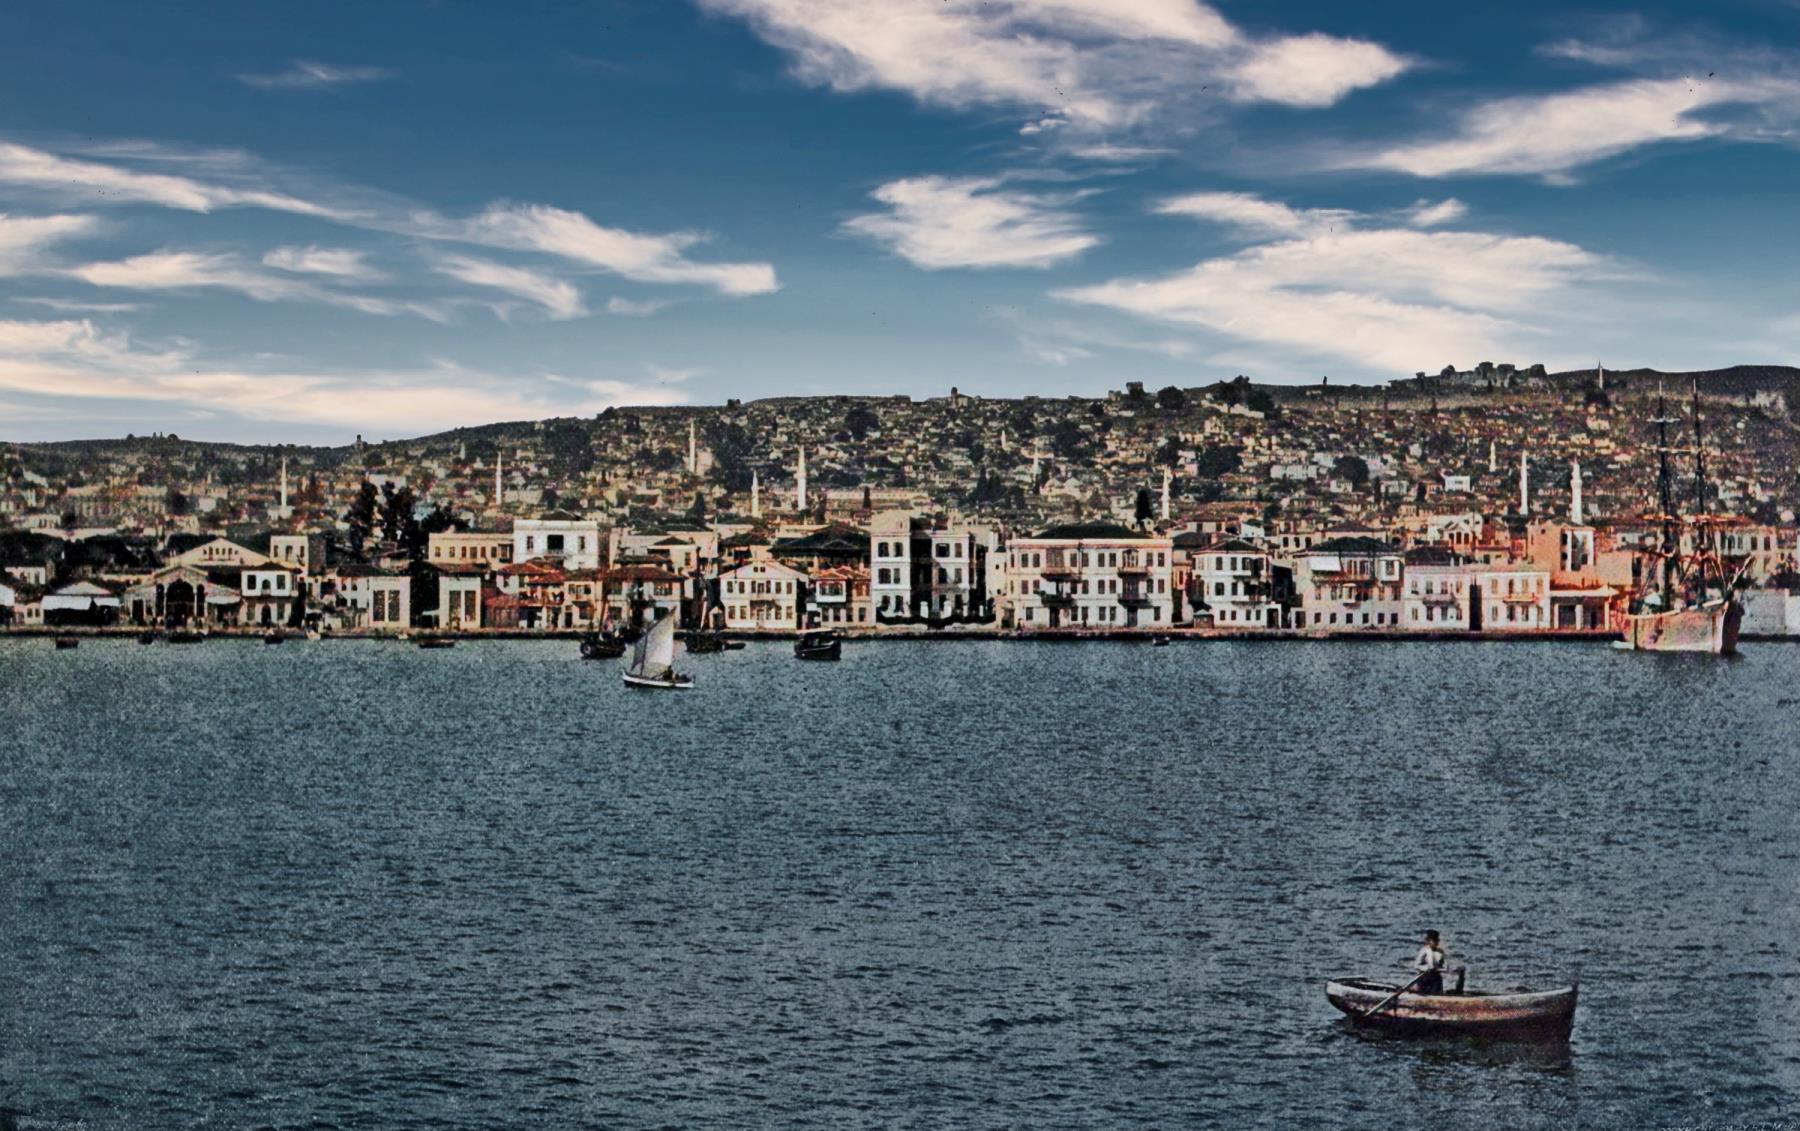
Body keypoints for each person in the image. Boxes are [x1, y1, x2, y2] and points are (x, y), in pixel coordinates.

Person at [1413, 930, 1447, 994]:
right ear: (1428, 941)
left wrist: (1441, 969)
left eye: (1437, 940)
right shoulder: (1424, 951)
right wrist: (1426, 968)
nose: (1436, 942)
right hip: (1424, 977)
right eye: (1434, 940)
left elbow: (1443, 966)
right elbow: (1416, 966)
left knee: (1437, 984)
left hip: (1436, 977)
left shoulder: (1440, 952)